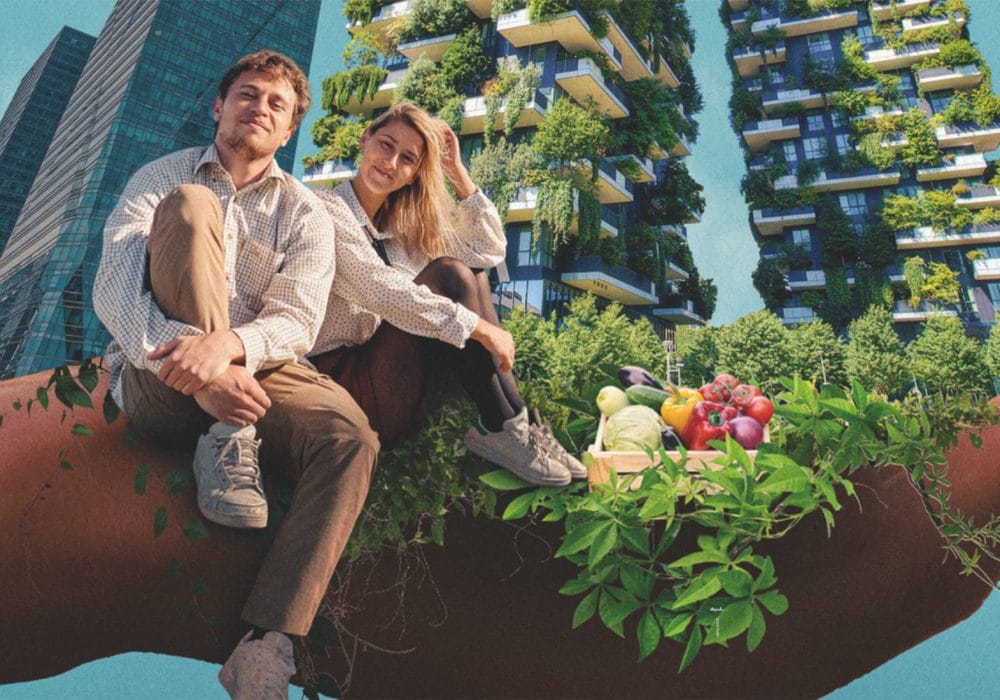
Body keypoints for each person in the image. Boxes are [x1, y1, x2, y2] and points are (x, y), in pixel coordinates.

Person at [93, 50, 379, 698]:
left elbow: (299, 320)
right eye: (248, 95)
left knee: (350, 438)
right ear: (220, 107)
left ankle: (266, 642)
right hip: (157, 371)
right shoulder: (158, 177)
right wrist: (188, 356)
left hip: (261, 366)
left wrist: (227, 350)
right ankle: (226, 437)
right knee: (192, 207)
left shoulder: (306, 211)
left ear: (288, 131)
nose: (260, 108)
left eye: (276, 105)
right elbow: (112, 290)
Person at [309, 102, 587, 486]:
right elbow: (377, 288)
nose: (390, 162)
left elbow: (488, 252)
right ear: (365, 140)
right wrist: (480, 329)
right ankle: (502, 424)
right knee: (448, 273)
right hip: (343, 384)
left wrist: (457, 173)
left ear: (412, 176)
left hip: (392, 375)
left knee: (474, 275)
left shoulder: (402, 232)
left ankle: (517, 425)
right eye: (386, 145)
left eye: (407, 158)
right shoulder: (325, 209)